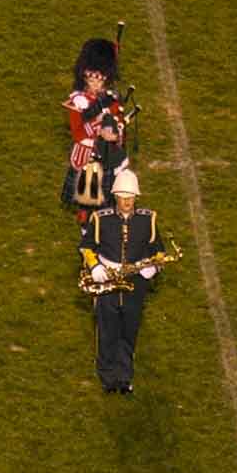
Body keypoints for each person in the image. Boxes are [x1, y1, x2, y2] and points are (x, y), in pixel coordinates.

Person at [79, 168, 163, 394]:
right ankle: (107, 376)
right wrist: (95, 266)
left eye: (130, 197)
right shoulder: (100, 219)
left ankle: (125, 377)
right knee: (107, 330)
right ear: (115, 196)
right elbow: (86, 247)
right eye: (122, 197)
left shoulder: (148, 219)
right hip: (107, 281)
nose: (127, 202)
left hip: (135, 283)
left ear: (136, 197)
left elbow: (159, 251)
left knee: (129, 330)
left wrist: (154, 267)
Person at [63, 37, 126, 221]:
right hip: (88, 155)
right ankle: (87, 233)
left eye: (101, 78)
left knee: (109, 201)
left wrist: (117, 132)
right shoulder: (78, 102)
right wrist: (98, 128)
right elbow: (78, 133)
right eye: (93, 78)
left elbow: (119, 123)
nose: (97, 83)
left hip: (109, 155)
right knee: (88, 205)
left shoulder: (111, 99)